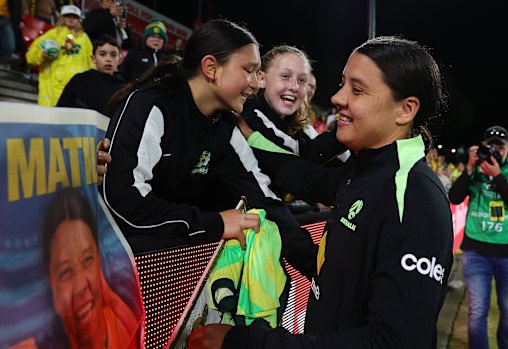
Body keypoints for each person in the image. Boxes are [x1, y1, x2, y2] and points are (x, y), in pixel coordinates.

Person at [190, 35, 454, 349]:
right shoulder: (365, 170)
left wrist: (245, 343)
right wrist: (240, 140)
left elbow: (391, 342)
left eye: (357, 90)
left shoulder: (415, 195)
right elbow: (303, 177)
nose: (337, 98)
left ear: (405, 110)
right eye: (342, 84)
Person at [102, 19, 316, 276]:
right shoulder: (152, 106)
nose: (257, 84)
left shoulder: (224, 126)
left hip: (173, 271)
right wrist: (215, 223)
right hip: (120, 274)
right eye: (248, 70)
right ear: (211, 68)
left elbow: (263, 199)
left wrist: (316, 265)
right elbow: (124, 203)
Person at [9, 188, 140, 348]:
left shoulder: (117, 323)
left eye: (87, 260)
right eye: (65, 272)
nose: (80, 286)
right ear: (51, 284)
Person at [448, 125, 508, 349]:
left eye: (500, 147)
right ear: (483, 146)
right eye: (490, 147)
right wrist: (469, 168)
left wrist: (498, 177)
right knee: (477, 311)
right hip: (476, 251)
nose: (494, 151)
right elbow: (454, 197)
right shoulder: (474, 169)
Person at [240, 45, 348, 167]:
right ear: (261, 79)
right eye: (285, 76)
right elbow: (301, 161)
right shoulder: (249, 117)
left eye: (302, 80)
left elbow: (311, 151)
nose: (294, 87)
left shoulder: (297, 124)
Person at [25, 5, 93, 106]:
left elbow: (91, 61)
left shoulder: (84, 38)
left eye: (74, 17)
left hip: (77, 87)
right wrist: (41, 55)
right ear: (62, 18)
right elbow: (30, 56)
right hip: (53, 88)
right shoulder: (52, 34)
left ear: (79, 20)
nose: (71, 19)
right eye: (68, 16)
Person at [57, 34, 126, 115]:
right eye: (102, 54)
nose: (108, 59)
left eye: (113, 55)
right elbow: (61, 111)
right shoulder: (79, 80)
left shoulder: (123, 89)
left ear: (120, 60)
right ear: (93, 59)